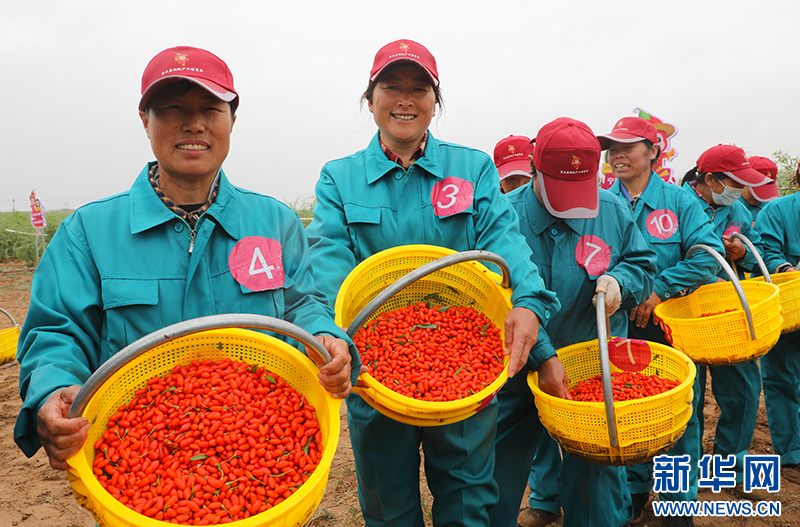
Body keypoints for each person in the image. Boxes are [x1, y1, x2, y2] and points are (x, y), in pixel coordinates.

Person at [14, 46, 355, 470]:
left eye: (211, 109)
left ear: (232, 119)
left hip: (260, 446)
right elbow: (56, 331)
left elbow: (302, 304)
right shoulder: (88, 233)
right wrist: (54, 388)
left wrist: (323, 335)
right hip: (139, 455)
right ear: (145, 120)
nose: (194, 123)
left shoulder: (275, 222)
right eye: (173, 108)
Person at [306, 39, 563, 527]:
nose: (405, 100)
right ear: (370, 100)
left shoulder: (472, 168)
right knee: (387, 501)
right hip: (375, 365)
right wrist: (334, 332)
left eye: (419, 89)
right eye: (391, 87)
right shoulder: (340, 178)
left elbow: (505, 242)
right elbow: (328, 260)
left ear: (435, 101)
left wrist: (528, 301)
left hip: (464, 358)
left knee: (467, 497)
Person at [492, 117, 657, 527]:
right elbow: (494, 295)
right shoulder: (503, 218)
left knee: (597, 477)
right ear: (534, 170)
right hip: (517, 365)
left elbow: (642, 264)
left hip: (590, 368)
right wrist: (544, 357)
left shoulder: (612, 210)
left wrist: (622, 282)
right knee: (498, 471)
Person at [598, 116, 723, 525]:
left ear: (653, 151)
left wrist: (660, 290)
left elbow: (708, 256)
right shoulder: (599, 203)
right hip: (620, 328)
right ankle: (634, 492)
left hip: (670, 328)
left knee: (678, 412)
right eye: (612, 148)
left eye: (628, 147)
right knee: (629, 408)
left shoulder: (679, 201)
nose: (617, 155)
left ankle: (678, 502)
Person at [680, 144, 771, 499]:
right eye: (734, 183)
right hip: (684, 313)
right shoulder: (677, 204)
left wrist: (744, 252)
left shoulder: (737, 210)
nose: (739, 190)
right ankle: (687, 473)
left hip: (728, 312)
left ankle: (730, 466)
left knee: (744, 389)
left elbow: (758, 249)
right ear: (710, 180)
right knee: (689, 396)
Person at [754, 166, 800, 486]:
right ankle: (792, 455)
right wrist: (787, 270)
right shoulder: (777, 212)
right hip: (788, 308)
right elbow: (765, 254)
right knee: (783, 379)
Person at [739, 156, 780, 224]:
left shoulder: (777, 205)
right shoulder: (729, 205)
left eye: (767, 191)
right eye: (759, 190)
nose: (763, 196)